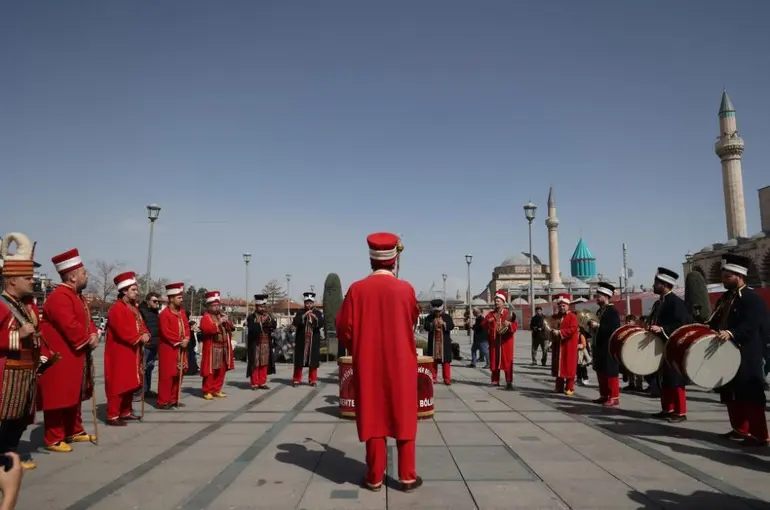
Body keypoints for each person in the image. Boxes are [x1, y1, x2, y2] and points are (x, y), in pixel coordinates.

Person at [336, 231, 422, 492]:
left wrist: (358, 347)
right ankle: (407, 476)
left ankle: (374, 476)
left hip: (369, 363)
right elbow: (413, 318)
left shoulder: (357, 289)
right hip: (401, 364)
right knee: (403, 415)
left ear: (371, 259)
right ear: (393, 260)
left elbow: (343, 328)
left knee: (374, 415)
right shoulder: (405, 289)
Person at [38, 248, 98, 451]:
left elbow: (87, 321)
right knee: (58, 396)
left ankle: (74, 429)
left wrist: (94, 333)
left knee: (75, 394)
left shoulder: (77, 296)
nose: (86, 275)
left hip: (76, 356)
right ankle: (53, 437)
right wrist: (86, 338)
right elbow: (69, 325)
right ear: (72, 276)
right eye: (83, 273)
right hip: (60, 357)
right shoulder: (59, 297)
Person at [0, 232, 50, 470]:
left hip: (26, 371)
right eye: (27, 278)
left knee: (20, 418)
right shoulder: (2, 305)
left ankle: (11, 454)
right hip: (7, 372)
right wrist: (16, 336)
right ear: (11, 281)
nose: (32, 282)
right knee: (5, 417)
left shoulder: (25, 306)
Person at [708, 254, 769, 446]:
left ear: (739, 276)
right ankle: (739, 429)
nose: (723, 280)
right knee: (730, 393)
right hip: (726, 354)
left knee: (750, 394)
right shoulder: (725, 299)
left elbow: (752, 325)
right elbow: (715, 321)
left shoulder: (752, 299)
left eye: (728, 277)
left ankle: (761, 436)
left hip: (747, 354)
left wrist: (732, 333)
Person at [646, 267, 691, 422]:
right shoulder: (659, 303)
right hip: (661, 347)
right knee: (664, 379)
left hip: (673, 347)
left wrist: (663, 329)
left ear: (664, 284)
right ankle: (667, 408)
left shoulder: (676, 303)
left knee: (675, 379)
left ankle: (680, 412)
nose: (653, 285)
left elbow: (682, 324)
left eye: (656, 283)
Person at [104, 272, 148, 425]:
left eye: (136, 290)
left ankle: (126, 411)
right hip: (120, 352)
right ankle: (113, 415)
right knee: (119, 382)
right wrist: (139, 337)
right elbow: (123, 330)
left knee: (130, 383)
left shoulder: (134, 308)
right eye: (133, 290)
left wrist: (146, 334)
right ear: (124, 291)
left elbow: (141, 326)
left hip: (133, 352)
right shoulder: (117, 308)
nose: (137, 292)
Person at [158, 283, 191, 407]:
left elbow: (187, 326)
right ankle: (163, 401)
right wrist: (180, 341)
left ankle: (173, 399)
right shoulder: (164, 314)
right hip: (169, 348)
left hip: (181, 347)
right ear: (171, 299)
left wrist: (187, 338)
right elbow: (166, 332)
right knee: (167, 375)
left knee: (179, 373)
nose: (181, 300)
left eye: (181, 297)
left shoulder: (182, 312)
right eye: (179, 298)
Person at [589, 282, 621, 406]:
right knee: (600, 370)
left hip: (609, 346)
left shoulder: (612, 311)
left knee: (610, 372)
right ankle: (604, 395)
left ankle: (614, 397)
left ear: (606, 296)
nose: (597, 298)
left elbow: (614, 328)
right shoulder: (599, 311)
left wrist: (599, 326)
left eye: (599, 296)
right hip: (599, 345)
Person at [199, 291, 234, 399]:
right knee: (210, 371)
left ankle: (216, 389)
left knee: (221, 370)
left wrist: (227, 321)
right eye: (214, 306)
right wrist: (218, 322)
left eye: (217, 305)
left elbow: (231, 328)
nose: (216, 307)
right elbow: (207, 329)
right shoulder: (206, 317)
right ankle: (207, 390)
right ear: (209, 306)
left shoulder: (222, 315)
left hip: (223, 347)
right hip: (212, 347)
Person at [484, 291, 517, 389]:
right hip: (494, 342)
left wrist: (509, 325)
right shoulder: (490, 314)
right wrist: (489, 323)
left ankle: (509, 381)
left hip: (506, 343)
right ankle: (495, 380)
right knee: (494, 361)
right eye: (495, 301)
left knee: (507, 361)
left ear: (503, 302)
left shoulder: (508, 314)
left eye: (498, 301)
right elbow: (484, 326)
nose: (496, 303)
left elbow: (515, 327)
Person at [291, 292, 323, 387]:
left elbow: (321, 323)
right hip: (301, 340)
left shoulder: (317, 312)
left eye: (310, 303)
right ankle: (296, 379)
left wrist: (315, 318)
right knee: (299, 361)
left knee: (313, 361)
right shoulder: (300, 312)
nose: (309, 305)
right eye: (307, 303)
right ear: (304, 303)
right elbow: (295, 322)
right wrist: (304, 316)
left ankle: (312, 380)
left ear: (313, 303)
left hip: (313, 340)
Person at [550, 293, 579, 395]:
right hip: (558, 345)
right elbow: (551, 325)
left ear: (568, 306)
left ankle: (570, 387)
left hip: (568, 345)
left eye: (564, 306)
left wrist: (560, 332)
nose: (562, 307)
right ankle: (559, 387)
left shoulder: (572, 316)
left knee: (569, 366)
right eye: (560, 306)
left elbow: (572, 329)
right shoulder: (556, 317)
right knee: (559, 366)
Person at [246, 294, 277, 390]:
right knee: (255, 363)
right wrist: (261, 323)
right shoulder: (251, 317)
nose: (262, 308)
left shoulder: (268, 316)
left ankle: (262, 382)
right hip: (255, 343)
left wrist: (269, 322)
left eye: (263, 306)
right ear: (256, 306)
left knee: (264, 363)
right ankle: (254, 383)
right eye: (260, 306)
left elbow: (273, 325)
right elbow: (252, 328)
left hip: (265, 343)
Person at [424, 299, 453, 385]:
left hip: (444, 343)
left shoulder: (447, 317)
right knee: (433, 360)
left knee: (446, 361)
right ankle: (433, 377)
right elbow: (425, 327)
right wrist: (432, 324)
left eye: (439, 311)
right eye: (436, 311)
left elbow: (451, 326)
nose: (437, 313)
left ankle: (447, 378)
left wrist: (444, 323)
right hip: (433, 342)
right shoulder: (429, 317)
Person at [138, 292, 161, 396]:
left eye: (158, 301)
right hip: (146, 345)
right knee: (143, 367)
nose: (157, 303)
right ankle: (140, 390)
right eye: (154, 301)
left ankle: (147, 390)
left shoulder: (155, 311)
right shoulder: (141, 311)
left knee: (150, 367)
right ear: (148, 301)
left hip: (154, 344)